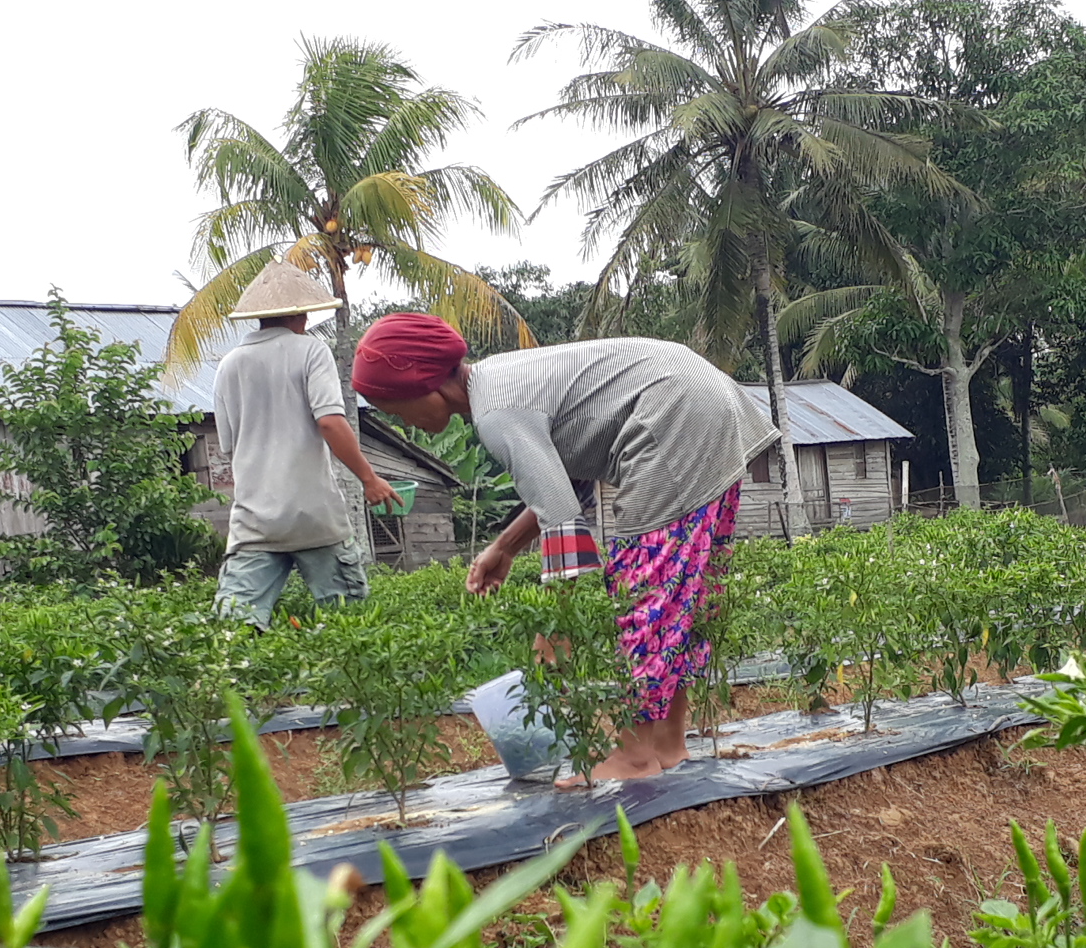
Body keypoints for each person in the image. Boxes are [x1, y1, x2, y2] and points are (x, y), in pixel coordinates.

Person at [352, 311, 776, 781]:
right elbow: (565, 489)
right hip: (705, 401)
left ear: (423, 385)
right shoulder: (503, 382)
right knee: (680, 595)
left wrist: (553, 630)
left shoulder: (497, 412)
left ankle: (633, 756)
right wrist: (507, 547)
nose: (405, 423)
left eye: (396, 411)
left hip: (673, 416)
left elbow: (562, 524)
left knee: (646, 594)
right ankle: (667, 743)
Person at [209, 259, 403, 625]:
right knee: (348, 624)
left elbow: (229, 446)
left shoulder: (229, 365)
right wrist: (369, 479)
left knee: (233, 631)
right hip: (315, 516)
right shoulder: (311, 351)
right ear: (303, 315)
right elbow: (330, 422)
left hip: (255, 521)